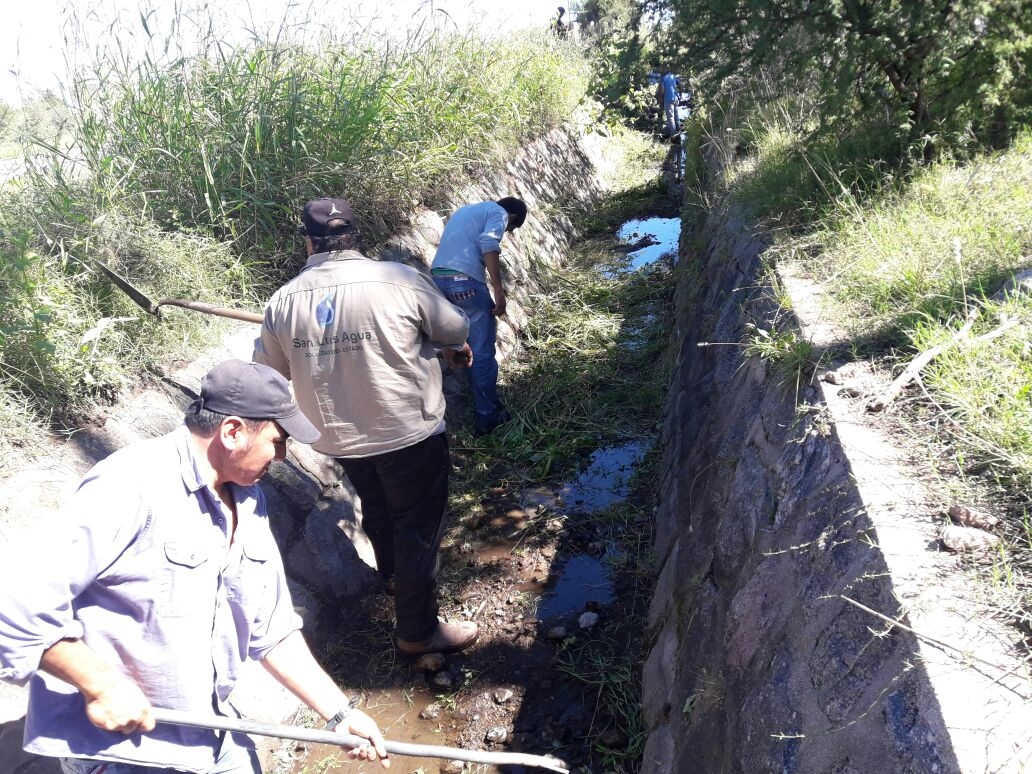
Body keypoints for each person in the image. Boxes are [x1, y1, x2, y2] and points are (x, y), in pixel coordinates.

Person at [0, 359, 391, 773]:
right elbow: (15, 605)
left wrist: (340, 713)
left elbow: (270, 629)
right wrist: (102, 686)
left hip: (211, 731)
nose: (282, 456)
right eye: (278, 441)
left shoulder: (247, 498)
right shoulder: (130, 487)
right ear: (233, 431)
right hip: (127, 754)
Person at [254, 197, 479, 657]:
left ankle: (396, 580)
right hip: (407, 431)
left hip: (342, 439)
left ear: (308, 242)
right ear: (355, 235)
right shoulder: (398, 278)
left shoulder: (282, 302)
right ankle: (417, 632)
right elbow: (454, 328)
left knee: (376, 507)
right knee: (417, 528)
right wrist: (445, 345)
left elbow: (270, 373)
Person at [430, 196, 528, 436]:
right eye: (510, 229)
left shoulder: (466, 211)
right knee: (483, 351)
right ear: (512, 218)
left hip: (437, 280)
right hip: (466, 283)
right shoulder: (498, 213)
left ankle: (479, 403)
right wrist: (498, 289)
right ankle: (488, 417)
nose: (507, 229)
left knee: (460, 341)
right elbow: (489, 243)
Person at [656, 71, 680, 138]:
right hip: (675, 98)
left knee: (670, 117)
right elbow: (681, 85)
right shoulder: (673, 76)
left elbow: (662, 91)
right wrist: (680, 94)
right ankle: (678, 129)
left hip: (668, 99)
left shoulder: (663, 78)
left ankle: (673, 133)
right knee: (676, 114)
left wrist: (660, 97)